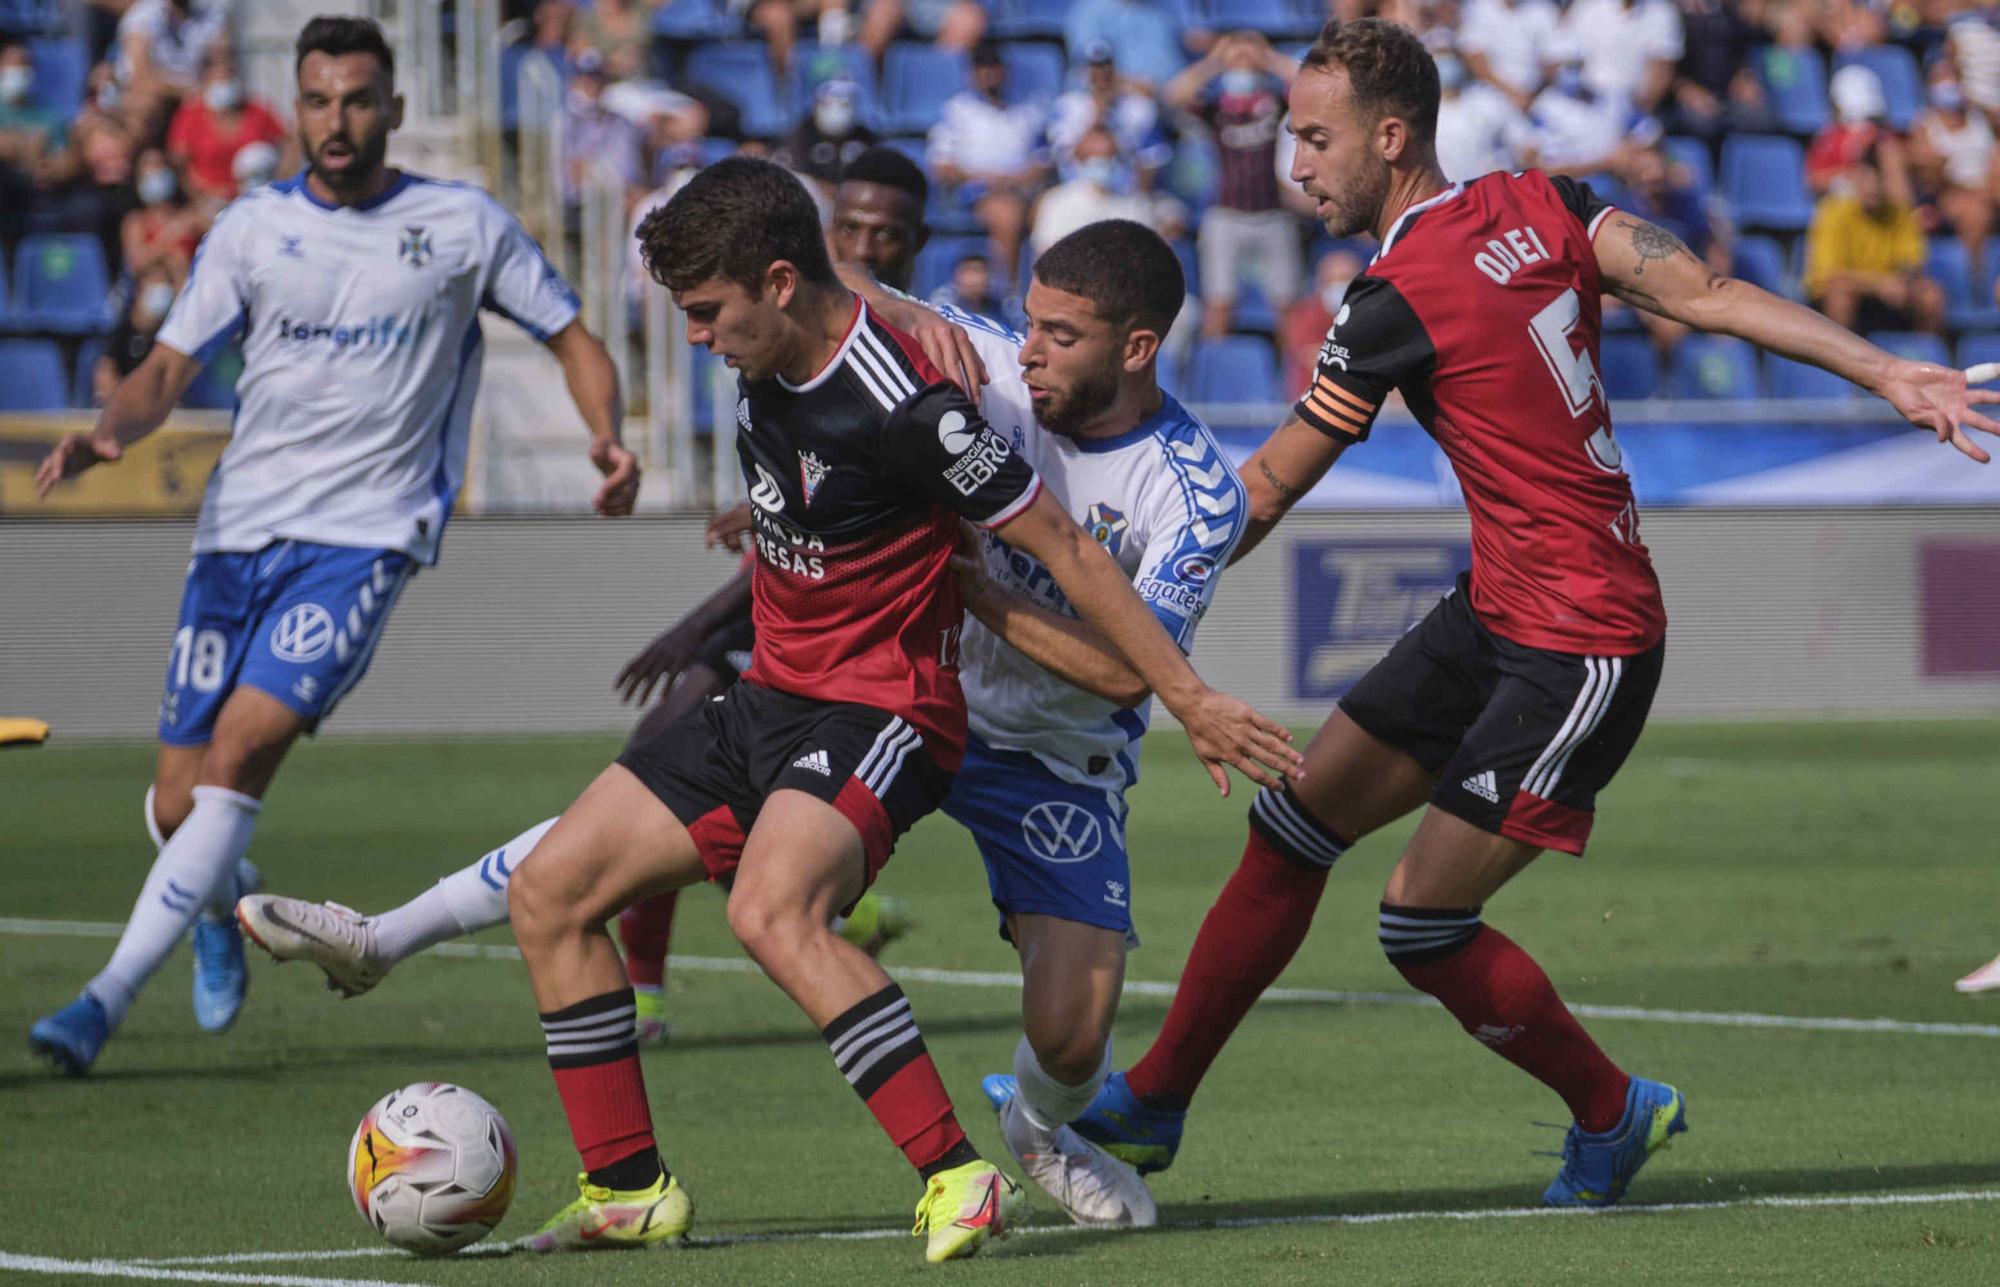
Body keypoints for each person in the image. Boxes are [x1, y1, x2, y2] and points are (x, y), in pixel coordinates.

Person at [254, 155, 1298, 1262]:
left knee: (1044, 1023)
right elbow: (854, 293)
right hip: (801, 696)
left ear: (1134, 349)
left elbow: (1084, 587)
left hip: (966, 729)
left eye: (708, 312)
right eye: (1025, 326)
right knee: (560, 889)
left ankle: (1003, 1145)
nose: (1025, 350)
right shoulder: (902, 355)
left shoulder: (1089, 463)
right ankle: (618, 1179)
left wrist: (1174, 690)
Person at [1064, 16, 1999, 1211]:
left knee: (1419, 924)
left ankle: (1612, 1114)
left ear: (1388, 137)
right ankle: (1149, 1107)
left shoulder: (1387, 298)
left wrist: (1107, 585)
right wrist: (1885, 371)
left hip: (1583, 641)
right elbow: (1704, 292)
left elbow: (1262, 494)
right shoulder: (1540, 203)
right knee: (1291, 828)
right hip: (1498, 606)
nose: (1293, 163)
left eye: (1313, 137)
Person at [26, 15, 638, 1077]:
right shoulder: (254, 228)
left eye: (358, 99)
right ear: (296, 108)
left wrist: (607, 437)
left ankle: (101, 1000)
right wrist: (107, 433)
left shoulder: (459, 224)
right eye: (318, 101)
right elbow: (171, 366)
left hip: (364, 537)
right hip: (235, 532)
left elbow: (571, 337)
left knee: (237, 758)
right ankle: (217, 909)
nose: (338, 120)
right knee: (177, 805)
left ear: (393, 108)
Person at [1166, 30, 1304, 339]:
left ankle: (1292, 382)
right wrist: (1216, 61)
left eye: (1247, 60)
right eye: (1237, 60)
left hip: (1273, 214)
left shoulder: (1275, 103)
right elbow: (1175, 94)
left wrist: (1264, 57)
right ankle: (1211, 378)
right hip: (1226, 214)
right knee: (1219, 306)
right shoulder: (1216, 109)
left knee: (1288, 308)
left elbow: (1307, 81)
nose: (1243, 65)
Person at [927, 39, 1049, 289]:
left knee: (1052, 212)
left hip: (1022, 188)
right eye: (982, 68)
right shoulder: (957, 111)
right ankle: (1010, 295)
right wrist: (988, 179)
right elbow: (942, 168)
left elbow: (1044, 162)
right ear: (972, 74)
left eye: (994, 67)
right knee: (1008, 215)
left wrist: (1017, 180)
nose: (990, 74)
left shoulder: (1027, 110)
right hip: (973, 192)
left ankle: (1045, 290)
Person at [1803, 145, 1946, 336]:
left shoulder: (1900, 213)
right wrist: (1878, 285)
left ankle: (1924, 357)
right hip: (1850, 293)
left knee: (1931, 296)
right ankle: (1842, 360)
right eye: (1867, 179)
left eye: (1880, 181)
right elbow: (1828, 277)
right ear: (1856, 179)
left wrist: (1905, 280)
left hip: (1890, 292)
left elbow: (1912, 261)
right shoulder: (1831, 212)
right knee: (1840, 297)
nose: (1874, 188)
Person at [166, 45, 289, 208]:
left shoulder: (256, 110)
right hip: (209, 203)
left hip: (257, 198)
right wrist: (201, 195)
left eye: (229, 76)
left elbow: (288, 141)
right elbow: (178, 161)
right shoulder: (191, 115)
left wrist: (281, 177)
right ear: (206, 79)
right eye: (219, 78)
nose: (225, 82)